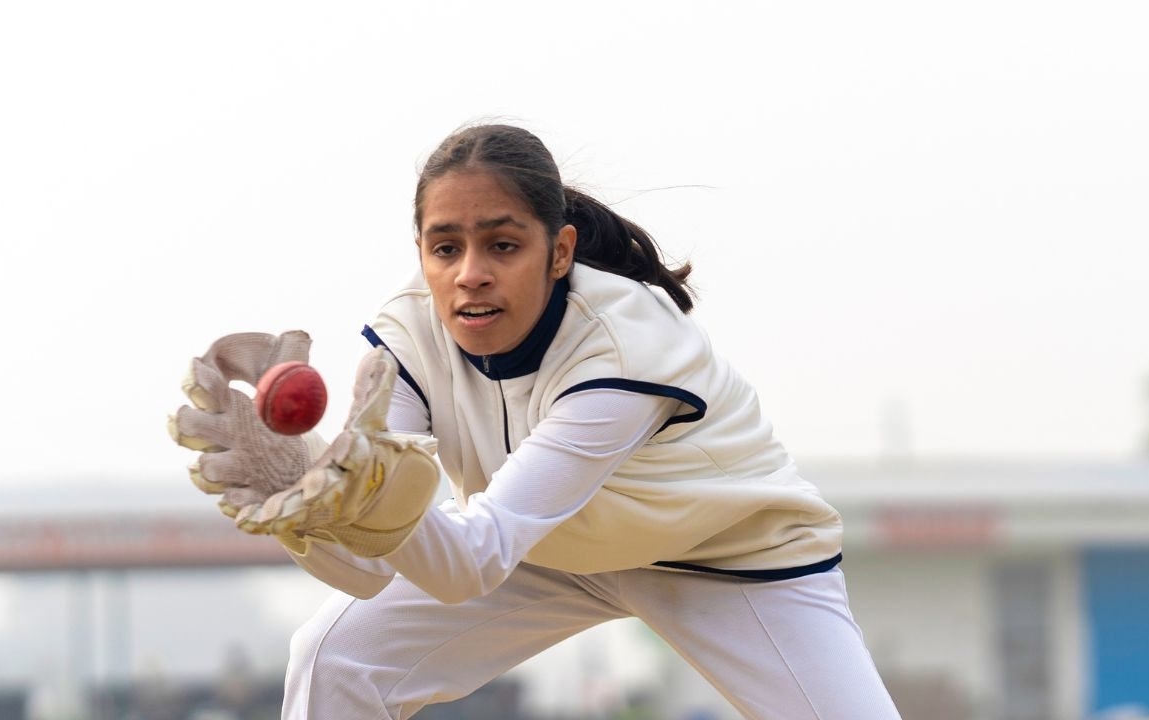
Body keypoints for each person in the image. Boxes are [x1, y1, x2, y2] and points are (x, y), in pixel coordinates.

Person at [169, 123, 901, 719]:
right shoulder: (408, 338)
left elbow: (468, 562)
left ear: (560, 252)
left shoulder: (623, 346)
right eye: (446, 247)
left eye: (503, 245)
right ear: (421, 254)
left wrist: (363, 489)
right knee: (334, 658)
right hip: (541, 551)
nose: (471, 273)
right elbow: (368, 568)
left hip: (727, 560)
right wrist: (309, 500)